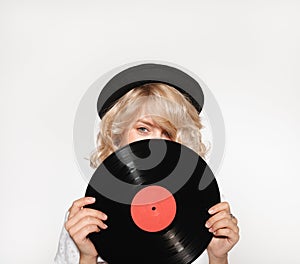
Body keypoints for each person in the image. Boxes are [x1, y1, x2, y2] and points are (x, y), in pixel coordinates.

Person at [55, 81, 239, 264]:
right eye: (143, 129)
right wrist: (87, 257)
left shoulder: (206, 208)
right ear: (118, 135)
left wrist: (218, 257)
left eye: (167, 132)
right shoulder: (86, 214)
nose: (155, 145)